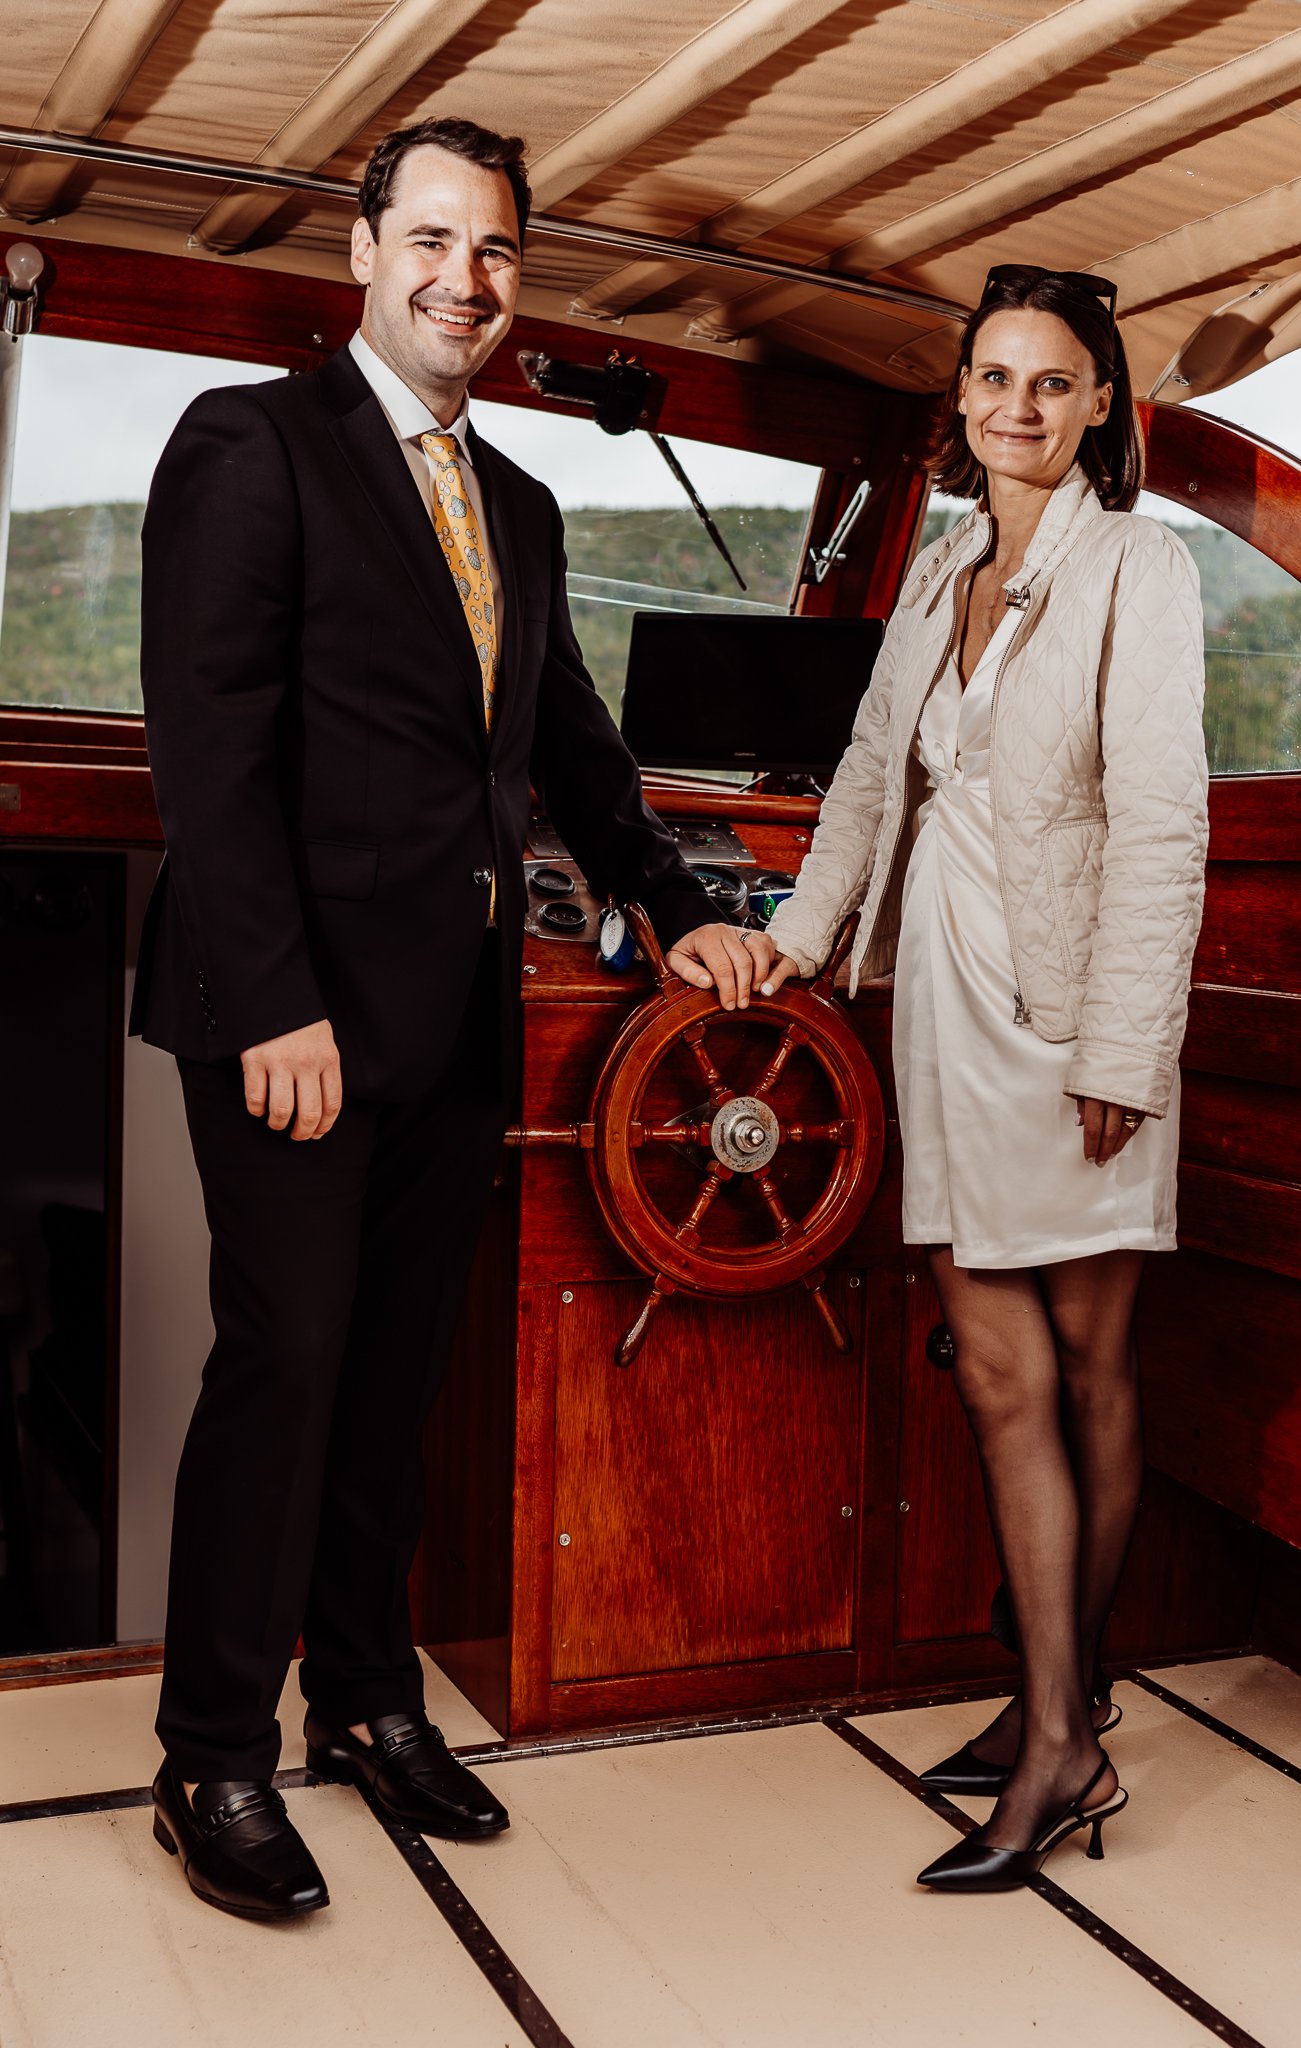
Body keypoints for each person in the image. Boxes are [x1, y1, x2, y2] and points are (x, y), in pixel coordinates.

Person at [131, 115, 754, 1922]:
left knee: (398, 1376)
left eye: (490, 253)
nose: (458, 281)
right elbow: (208, 743)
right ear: (362, 253)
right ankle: (212, 1756)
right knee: (285, 1368)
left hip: (448, 1012)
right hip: (293, 1021)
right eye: (428, 241)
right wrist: (273, 1002)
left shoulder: (524, 507)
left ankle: (368, 1700)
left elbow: (566, 742)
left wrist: (681, 902)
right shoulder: (250, 441)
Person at [749, 264, 1208, 1892]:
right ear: (960, 398)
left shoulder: (1136, 568)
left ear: (1100, 406)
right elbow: (873, 779)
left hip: (1071, 1007)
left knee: (1078, 1373)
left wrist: (1120, 1045)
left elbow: (1163, 821)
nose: (1017, 407)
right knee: (1000, 1377)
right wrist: (790, 946)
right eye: (992, 377)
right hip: (938, 998)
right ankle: (1056, 1712)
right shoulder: (943, 560)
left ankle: (1062, 1734)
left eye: (1051, 381)